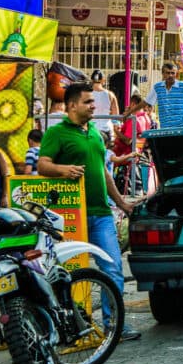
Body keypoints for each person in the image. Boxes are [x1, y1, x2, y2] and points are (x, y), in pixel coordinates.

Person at [37, 82, 139, 341]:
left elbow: (103, 171)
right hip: (71, 216)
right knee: (66, 272)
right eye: (88, 102)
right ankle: (67, 326)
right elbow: (42, 165)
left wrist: (121, 202)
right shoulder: (57, 133)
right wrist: (63, 170)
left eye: (93, 102)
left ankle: (114, 325)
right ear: (72, 105)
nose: (94, 106)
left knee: (113, 268)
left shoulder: (93, 131)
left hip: (101, 213)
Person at [124, 62, 183, 129]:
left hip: (182, 127)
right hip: (165, 128)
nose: (170, 75)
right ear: (163, 74)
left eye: (173, 73)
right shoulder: (157, 87)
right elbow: (145, 102)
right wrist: (130, 112)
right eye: (168, 73)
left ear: (176, 74)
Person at [90, 69, 119, 139]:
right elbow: (116, 115)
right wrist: (116, 126)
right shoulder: (110, 94)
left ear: (92, 80)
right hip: (106, 127)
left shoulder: (86, 94)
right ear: (103, 80)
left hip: (91, 128)